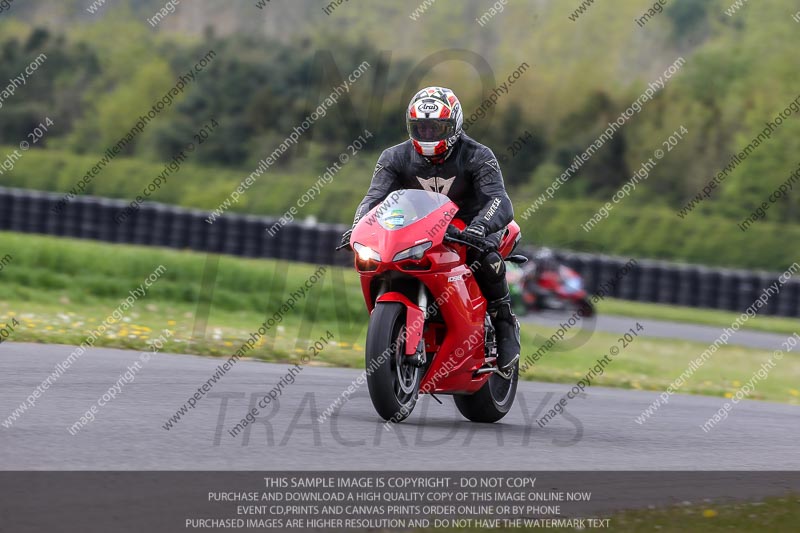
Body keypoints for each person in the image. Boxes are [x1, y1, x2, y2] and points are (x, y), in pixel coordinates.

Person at [340, 86, 520, 376]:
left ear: (454, 126)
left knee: (482, 254)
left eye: (435, 127)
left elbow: (499, 200)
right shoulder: (394, 157)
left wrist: (479, 228)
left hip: (473, 224)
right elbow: (373, 198)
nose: (427, 134)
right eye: (420, 128)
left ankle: (503, 322)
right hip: (421, 227)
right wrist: (357, 227)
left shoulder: (478, 156)